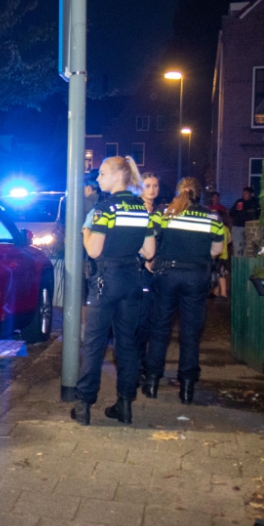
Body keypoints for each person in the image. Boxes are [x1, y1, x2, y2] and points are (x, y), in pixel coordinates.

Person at [72, 156, 156, 426]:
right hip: (132, 281)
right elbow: (149, 252)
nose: (98, 179)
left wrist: (84, 231)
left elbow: (94, 250)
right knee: (127, 344)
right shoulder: (143, 210)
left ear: (118, 176)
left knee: (95, 343)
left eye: (102, 174)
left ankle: (84, 404)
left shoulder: (104, 208)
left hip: (105, 281)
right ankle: (124, 405)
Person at [142, 177, 225, 404]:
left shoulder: (164, 213)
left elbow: (149, 237)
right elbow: (217, 250)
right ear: (200, 194)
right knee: (190, 333)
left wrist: (151, 260)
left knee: (160, 330)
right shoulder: (212, 217)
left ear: (180, 192)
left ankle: (151, 383)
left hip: (167, 274)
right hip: (196, 277)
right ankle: (187, 389)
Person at [134, 172, 161, 377]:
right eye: (148, 186)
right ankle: (139, 364)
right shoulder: (137, 209)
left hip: (157, 271)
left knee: (153, 318)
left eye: (155, 186)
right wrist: (146, 258)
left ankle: (146, 363)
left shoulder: (160, 211)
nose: (152, 190)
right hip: (140, 269)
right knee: (141, 318)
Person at [207, 192, 230, 299]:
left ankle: (223, 293)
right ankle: (216, 291)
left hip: (219, 255)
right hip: (223, 254)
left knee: (220, 274)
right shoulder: (226, 229)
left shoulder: (217, 228)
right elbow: (230, 240)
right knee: (218, 274)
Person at [229, 187, 260, 256]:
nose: (244, 195)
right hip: (238, 226)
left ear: (250, 194)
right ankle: (238, 264)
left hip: (250, 228)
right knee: (238, 247)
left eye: (246, 193)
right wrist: (236, 209)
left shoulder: (255, 202)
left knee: (249, 247)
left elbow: (259, 213)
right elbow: (231, 213)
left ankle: (246, 264)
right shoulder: (239, 202)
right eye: (243, 193)